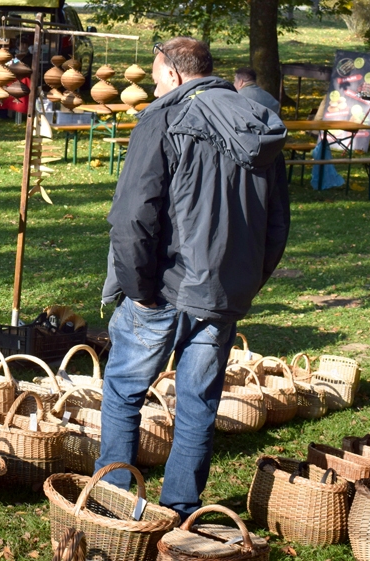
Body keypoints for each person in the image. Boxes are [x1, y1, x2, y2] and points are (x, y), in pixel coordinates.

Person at [97, 37, 290, 520]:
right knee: (198, 403)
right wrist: (242, 284)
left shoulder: (163, 117)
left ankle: (116, 504)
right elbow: (278, 226)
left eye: (157, 76)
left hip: (164, 291)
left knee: (123, 393)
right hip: (220, 292)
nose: (154, 86)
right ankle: (181, 509)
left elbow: (131, 218)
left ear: (177, 74)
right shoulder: (261, 123)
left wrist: (139, 293)